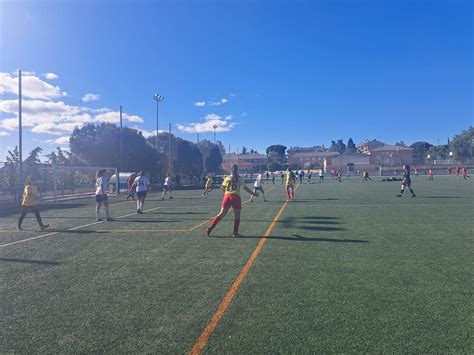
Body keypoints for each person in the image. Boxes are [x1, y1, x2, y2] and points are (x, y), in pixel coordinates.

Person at [205, 164, 257, 238]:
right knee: (237, 216)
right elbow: (245, 188)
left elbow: (222, 187)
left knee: (221, 214)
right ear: (237, 170)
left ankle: (210, 228)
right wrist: (253, 193)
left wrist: (226, 193)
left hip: (227, 197)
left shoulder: (227, 178)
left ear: (230, 170)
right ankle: (235, 233)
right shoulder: (239, 178)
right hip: (236, 197)